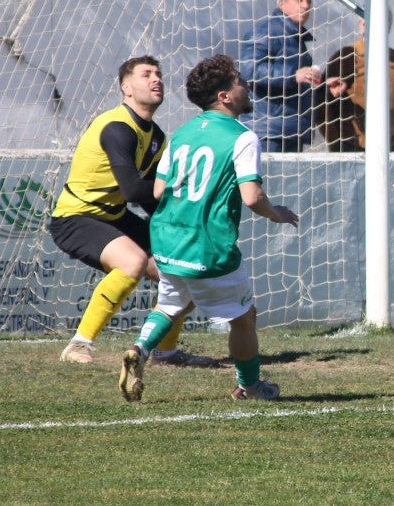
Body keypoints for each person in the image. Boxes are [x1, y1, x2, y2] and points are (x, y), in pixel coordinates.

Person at [118, 54, 300, 403]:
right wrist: (276, 213)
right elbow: (251, 196)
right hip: (207, 245)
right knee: (244, 318)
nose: (246, 87)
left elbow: (157, 191)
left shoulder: (183, 133)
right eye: (240, 82)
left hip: (169, 239)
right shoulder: (242, 137)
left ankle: (139, 350)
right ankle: (250, 387)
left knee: (170, 304)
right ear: (225, 97)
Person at [49, 56, 209, 367]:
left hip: (114, 215)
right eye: (146, 74)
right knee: (133, 262)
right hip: (76, 217)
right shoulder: (117, 127)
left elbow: (150, 202)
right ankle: (79, 344)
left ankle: (166, 353)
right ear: (126, 88)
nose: (156, 79)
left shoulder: (157, 137)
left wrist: (182, 224)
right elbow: (134, 191)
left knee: (183, 272)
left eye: (159, 74)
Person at [239, 0, 322, 153]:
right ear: (282, 3)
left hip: (289, 129)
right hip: (267, 132)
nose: (306, 6)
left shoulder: (294, 35)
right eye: (299, 0)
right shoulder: (266, 30)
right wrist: (293, 75)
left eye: (309, 1)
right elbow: (250, 71)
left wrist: (326, 85)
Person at [312, 17, 394, 152]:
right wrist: (335, 144)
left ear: (388, 26)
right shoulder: (344, 58)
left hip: (389, 148)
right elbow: (322, 103)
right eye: (366, 23)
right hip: (351, 148)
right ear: (361, 25)